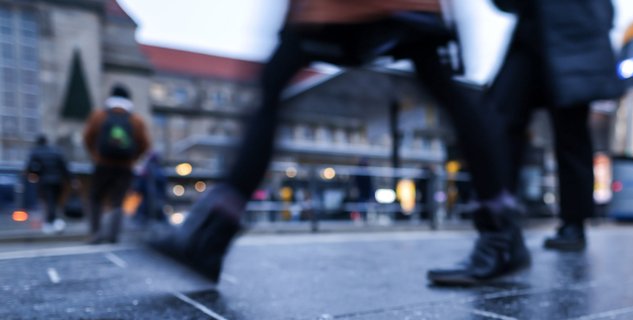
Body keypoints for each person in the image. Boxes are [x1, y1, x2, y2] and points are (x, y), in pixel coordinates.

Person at [150, 0, 528, 285]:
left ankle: (214, 234)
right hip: (397, 7)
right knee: (445, 88)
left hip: (346, 8)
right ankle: (500, 230)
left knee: (275, 81)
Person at [486, 0, 624, 251]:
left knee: (569, 135)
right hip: (535, 34)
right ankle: (499, 224)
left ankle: (572, 223)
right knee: (502, 124)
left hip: (572, 37)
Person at [83, 84, 150, 244]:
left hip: (103, 165)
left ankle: (96, 233)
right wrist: (133, 159)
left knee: (95, 198)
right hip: (125, 167)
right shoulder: (136, 120)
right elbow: (145, 144)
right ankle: (113, 235)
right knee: (118, 201)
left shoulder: (99, 116)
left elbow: (87, 138)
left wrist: (96, 156)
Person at [25, 135, 70, 234]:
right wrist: (71, 179)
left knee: (48, 202)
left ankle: (50, 222)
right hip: (57, 180)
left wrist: (33, 175)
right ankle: (54, 221)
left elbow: (30, 167)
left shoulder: (35, 152)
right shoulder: (55, 151)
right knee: (54, 202)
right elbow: (64, 166)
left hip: (44, 181)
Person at [133, 152, 168, 225]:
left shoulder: (144, 172)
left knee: (140, 222)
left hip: (146, 203)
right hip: (156, 202)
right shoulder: (161, 172)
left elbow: (138, 188)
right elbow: (164, 189)